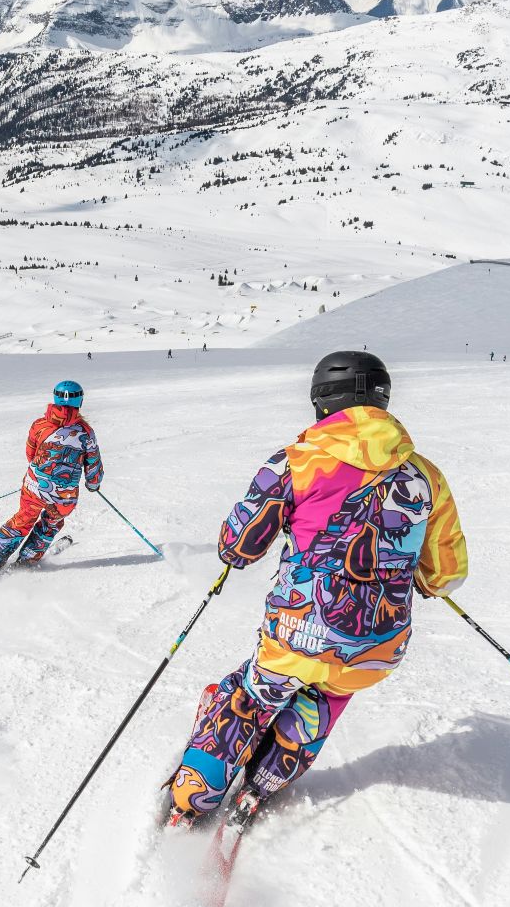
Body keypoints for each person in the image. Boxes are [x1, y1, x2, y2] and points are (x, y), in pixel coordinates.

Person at [164, 351, 467, 828]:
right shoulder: (424, 475)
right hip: (378, 643)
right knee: (324, 698)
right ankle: (263, 783)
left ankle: (193, 797)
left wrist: (231, 555)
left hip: (298, 629)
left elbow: (240, 543)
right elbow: (444, 571)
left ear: (323, 401)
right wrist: (427, 580)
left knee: (251, 696)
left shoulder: (297, 462)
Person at [0, 381, 103, 570]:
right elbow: (93, 464)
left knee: (24, 518)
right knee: (51, 523)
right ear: (80, 401)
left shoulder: (40, 425)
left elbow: (30, 454)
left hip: (34, 486)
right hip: (63, 496)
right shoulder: (86, 433)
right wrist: (93, 484)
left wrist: (41, 475)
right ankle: (26, 561)